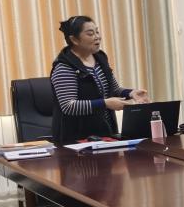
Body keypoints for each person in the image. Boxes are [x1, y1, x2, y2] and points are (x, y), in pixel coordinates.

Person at [50, 15, 150, 143]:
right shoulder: (64, 67)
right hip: (75, 140)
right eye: (90, 34)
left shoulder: (100, 58)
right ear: (74, 39)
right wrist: (105, 103)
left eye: (97, 32)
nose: (97, 37)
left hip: (105, 134)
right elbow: (69, 106)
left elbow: (114, 89)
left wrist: (131, 93)